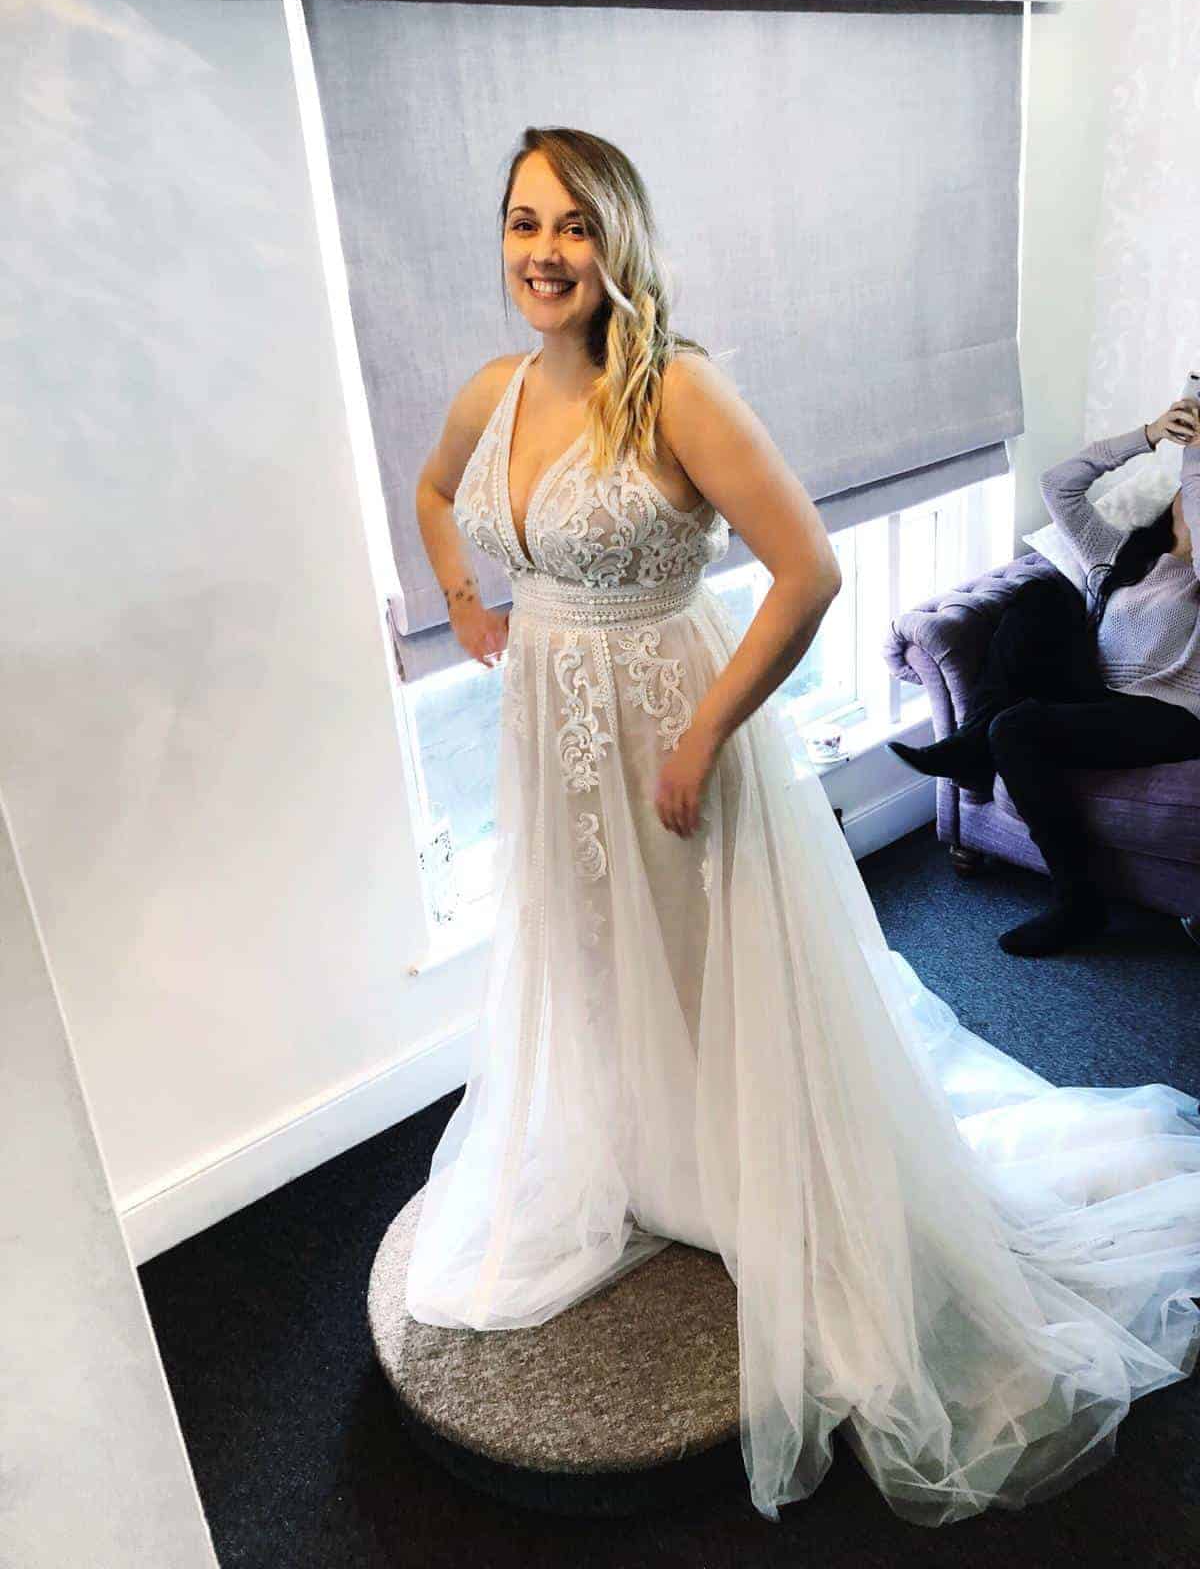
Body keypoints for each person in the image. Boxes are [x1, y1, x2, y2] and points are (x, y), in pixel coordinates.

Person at [405, 127, 1200, 1527]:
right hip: (548, 730)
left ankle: (746, 1166)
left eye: (575, 225)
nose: (545, 251)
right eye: (525, 222)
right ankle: (643, 1146)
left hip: (671, 720)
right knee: (593, 951)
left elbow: (809, 571)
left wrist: (703, 735)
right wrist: (467, 602)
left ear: (619, 238)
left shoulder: (677, 388)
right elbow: (434, 490)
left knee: (705, 957)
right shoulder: (494, 390)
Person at [889, 402, 1200, 956]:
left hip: (1167, 715)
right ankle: (973, 744)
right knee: (1038, 597)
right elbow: (1058, 485)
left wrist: (1197, 450)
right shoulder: (1122, 558)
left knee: (1017, 729)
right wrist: (1150, 435)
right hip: (1099, 696)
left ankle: (1080, 905)